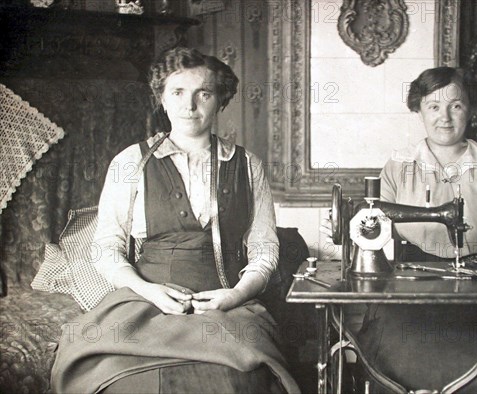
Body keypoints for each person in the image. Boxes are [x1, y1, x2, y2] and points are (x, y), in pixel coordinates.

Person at [51, 47, 300, 394]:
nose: (190, 105)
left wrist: (236, 294)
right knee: (119, 382)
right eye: (178, 93)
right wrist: (147, 290)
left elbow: (263, 248)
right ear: (162, 100)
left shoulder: (247, 166)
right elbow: (107, 248)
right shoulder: (129, 163)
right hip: (144, 306)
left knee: (240, 381)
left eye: (204, 93)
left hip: (225, 309)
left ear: (220, 100)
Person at [322, 67, 477, 393]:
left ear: (470, 108)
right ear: (419, 110)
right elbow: (374, 223)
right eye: (433, 107)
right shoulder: (399, 165)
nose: (445, 117)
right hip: (407, 281)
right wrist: (349, 229)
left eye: (456, 105)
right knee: (391, 343)